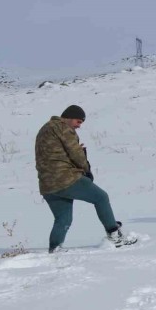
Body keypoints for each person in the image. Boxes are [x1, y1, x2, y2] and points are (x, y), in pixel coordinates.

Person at [35, 105, 134, 252]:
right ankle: (114, 236)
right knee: (101, 197)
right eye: (78, 121)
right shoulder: (63, 128)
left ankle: (55, 249)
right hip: (65, 178)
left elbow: (53, 153)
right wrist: (86, 169)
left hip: (47, 185)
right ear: (69, 117)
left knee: (63, 218)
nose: (79, 126)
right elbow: (76, 154)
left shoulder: (45, 129)